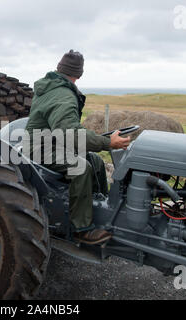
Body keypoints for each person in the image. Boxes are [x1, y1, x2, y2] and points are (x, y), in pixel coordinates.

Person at [25, 50, 130, 244]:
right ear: (79, 74)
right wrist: (107, 143)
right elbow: (69, 131)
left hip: (52, 143)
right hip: (39, 148)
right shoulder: (63, 95)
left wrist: (97, 141)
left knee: (96, 161)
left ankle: (102, 209)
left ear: (59, 69)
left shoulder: (52, 86)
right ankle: (82, 229)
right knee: (81, 167)